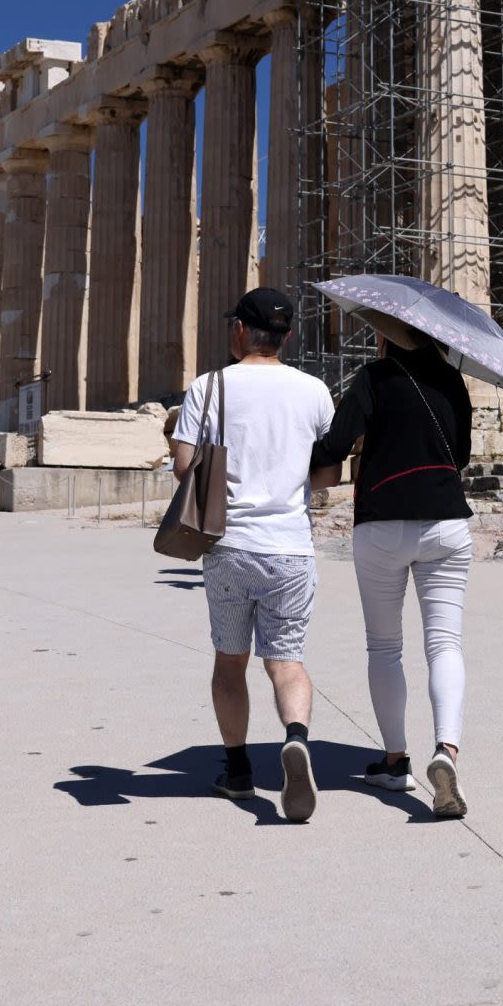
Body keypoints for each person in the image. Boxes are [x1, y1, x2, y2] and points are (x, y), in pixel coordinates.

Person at [169, 287, 334, 822]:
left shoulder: (209, 386)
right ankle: (297, 739)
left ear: (240, 330)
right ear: (286, 336)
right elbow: (328, 473)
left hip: (230, 545)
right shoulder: (314, 392)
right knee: (286, 661)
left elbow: (183, 468)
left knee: (230, 661)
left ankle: (238, 770)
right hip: (290, 547)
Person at [311, 317, 476, 819]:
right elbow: (462, 455)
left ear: (389, 334)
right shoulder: (454, 382)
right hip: (447, 522)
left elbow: (336, 447)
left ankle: (394, 760)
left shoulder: (373, 378)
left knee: (385, 647)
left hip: (381, 522)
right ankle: (445, 751)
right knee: (445, 643)